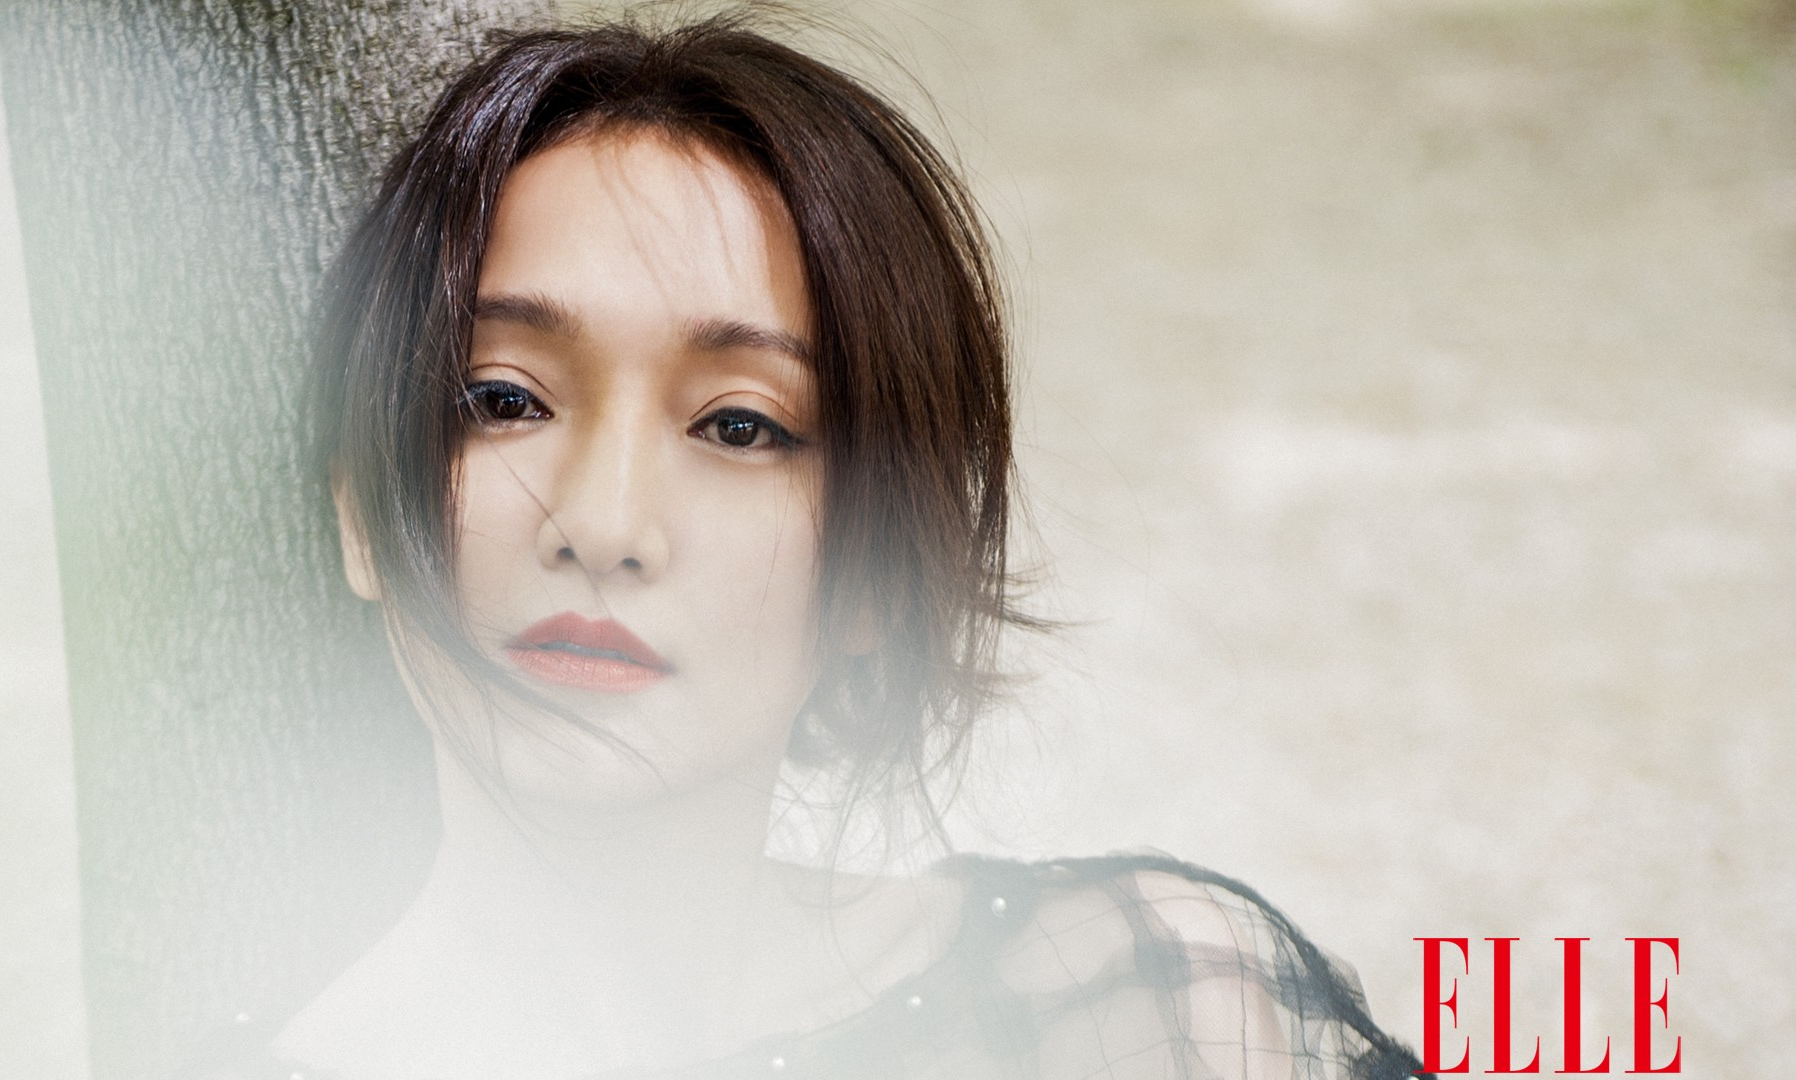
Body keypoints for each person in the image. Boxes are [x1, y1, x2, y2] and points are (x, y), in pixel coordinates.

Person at [197, 11, 1427, 1080]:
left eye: (740, 425)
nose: (605, 526)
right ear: (360, 511)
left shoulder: (1141, 1004)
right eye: (504, 400)